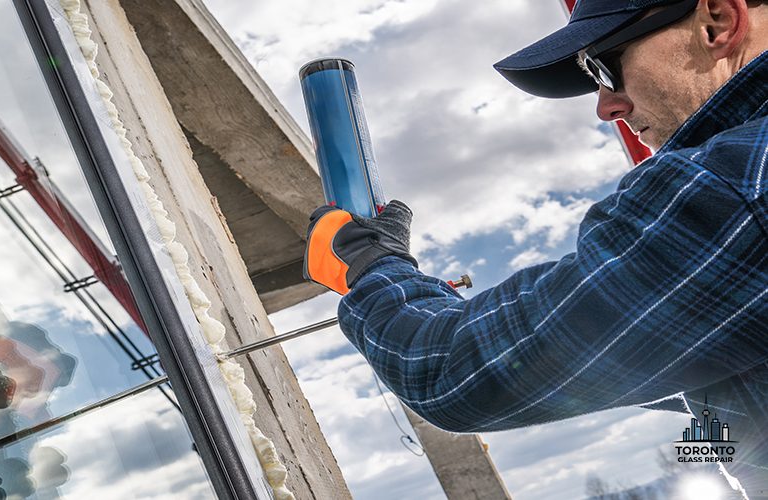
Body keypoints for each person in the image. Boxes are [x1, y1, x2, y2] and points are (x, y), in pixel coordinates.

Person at [303, 0, 768, 496]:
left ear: (718, 21)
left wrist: (371, 266)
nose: (606, 105)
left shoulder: (737, 185)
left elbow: (453, 374)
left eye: (604, 67)